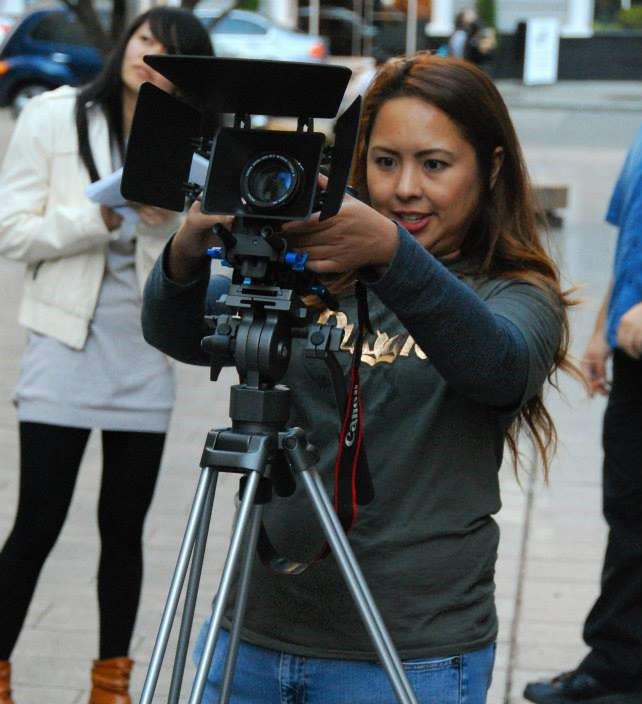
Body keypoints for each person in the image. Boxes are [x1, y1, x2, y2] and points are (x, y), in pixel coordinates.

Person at [141, 54, 575, 704]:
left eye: (434, 164)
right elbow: (180, 332)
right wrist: (185, 252)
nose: (404, 188)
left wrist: (391, 256)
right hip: (254, 632)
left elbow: (498, 368)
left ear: (490, 167)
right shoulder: (317, 274)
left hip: (411, 649)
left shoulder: (515, 292)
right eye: (384, 160)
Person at [0, 8, 213, 704]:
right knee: (37, 521)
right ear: (125, 42)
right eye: (146, 39)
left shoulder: (193, 140)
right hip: (64, 342)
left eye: (169, 51)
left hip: (143, 351)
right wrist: (101, 216)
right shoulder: (53, 117)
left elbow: (204, 255)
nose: (150, 55)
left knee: (123, 530)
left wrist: (174, 222)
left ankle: (111, 685)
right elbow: (12, 232)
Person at [524, 126, 642, 704]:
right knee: (629, 513)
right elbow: (632, 248)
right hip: (633, 349)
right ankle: (619, 666)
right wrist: (600, 333)